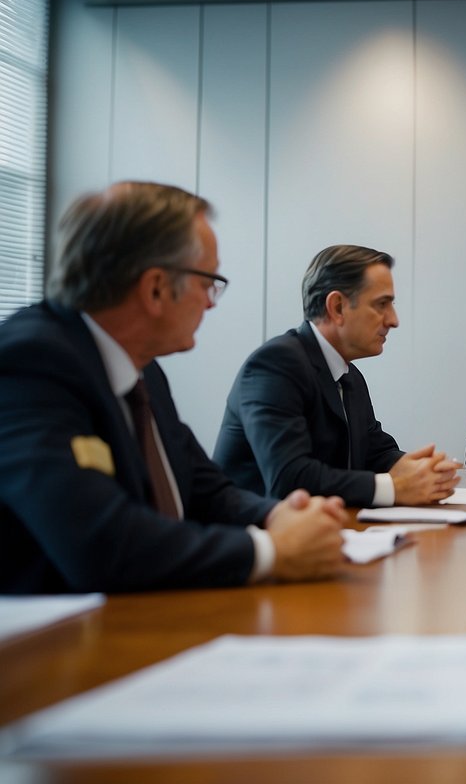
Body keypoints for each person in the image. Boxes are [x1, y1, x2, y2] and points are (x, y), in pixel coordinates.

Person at [0, 182, 345, 594]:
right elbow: (102, 543)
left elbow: (204, 487)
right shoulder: (29, 365)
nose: (211, 302)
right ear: (156, 288)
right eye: (207, 283)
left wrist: (276, 516)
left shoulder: (144, 369)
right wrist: (270, 551)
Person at [214, 245, 459, 506]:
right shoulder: (275, 365)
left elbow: (376, 453)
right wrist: (394, 487)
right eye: (382, 304)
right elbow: (289, 479)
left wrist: (419, 470)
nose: (393, 320)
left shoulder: (349, 375)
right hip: (252, 537)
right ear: (338, 307)